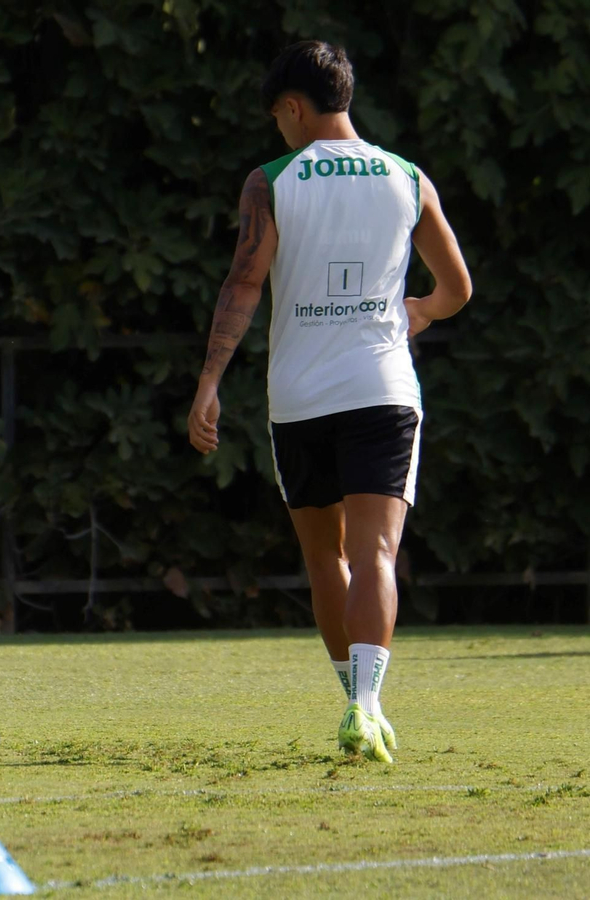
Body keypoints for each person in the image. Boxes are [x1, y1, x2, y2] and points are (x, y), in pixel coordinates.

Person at [187, 41, 471, 763]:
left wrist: (209, 383)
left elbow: (243, 286)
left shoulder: (271, 181)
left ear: (292, 107)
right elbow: (458, 289)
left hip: (300, 397)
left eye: (278, 117)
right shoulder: (408, 177)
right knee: (377, 552)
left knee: (326, 561)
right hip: (382, 389)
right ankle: (367, 708)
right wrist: (420, 312)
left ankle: (353, 699)